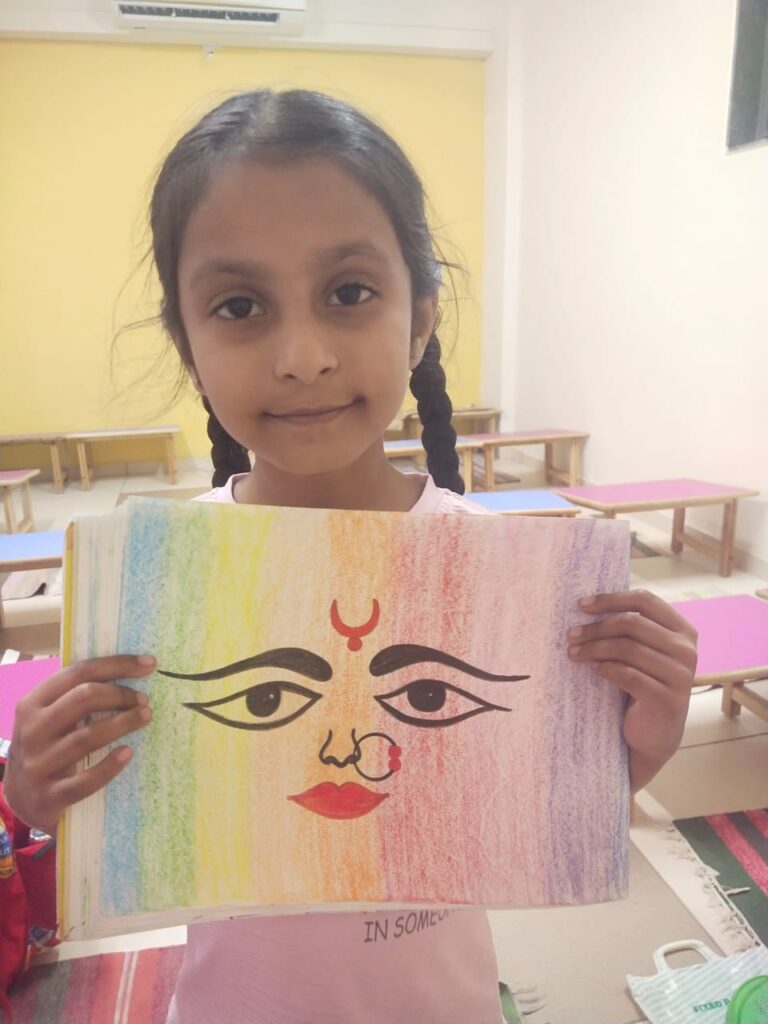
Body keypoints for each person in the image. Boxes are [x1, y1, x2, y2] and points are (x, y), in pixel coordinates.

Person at [4, 89, 698, 1024]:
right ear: (187, 344)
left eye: (349, 293)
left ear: (420, 321)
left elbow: (532, 821)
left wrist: (637, 749)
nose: (303, 355)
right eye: (240, 305)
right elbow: (103, 839)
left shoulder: (497, 575)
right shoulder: (158, 591)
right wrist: (38, 796)